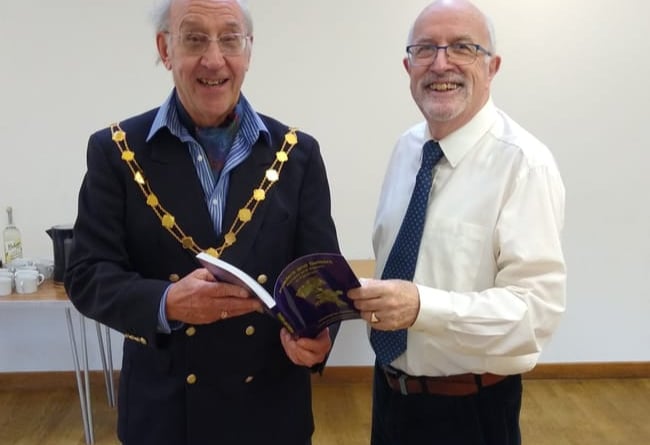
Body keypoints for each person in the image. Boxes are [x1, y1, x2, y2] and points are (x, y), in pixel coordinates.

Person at [64, 1, 340, 444]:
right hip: (164, 413)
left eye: (230, 39)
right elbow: (86, 275)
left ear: (248, 51)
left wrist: (320, 333)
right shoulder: (115, 151)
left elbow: (319, 274)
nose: (214, 59)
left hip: (269, 412)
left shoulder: (298, 153)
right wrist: (167, 301)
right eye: (194, 39)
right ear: (165, 49)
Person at [347, 1, 566, 444]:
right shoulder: (406, 150)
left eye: (462, 47)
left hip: (470, 410)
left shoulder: (525, 166)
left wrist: (423, 307)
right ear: (407, 65)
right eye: (426, 49)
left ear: (492, 66)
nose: (441, 63)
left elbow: (534, 314)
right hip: (389, 393)